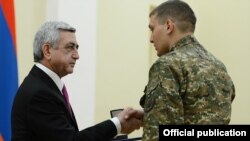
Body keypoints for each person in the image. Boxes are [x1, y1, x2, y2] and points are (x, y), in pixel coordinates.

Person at [11, 21, 143, 141]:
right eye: (70, 47)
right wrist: (117, 124)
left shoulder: (45, 85)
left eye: (76, 48)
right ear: (47, 51)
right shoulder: (39, 93)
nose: (77, 55)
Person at [139, 0, 235, 140]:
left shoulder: (167, 65)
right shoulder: (218, 66)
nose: (151, 39)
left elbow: (159, 134)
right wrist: (149, 113)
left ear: (168, 26)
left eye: (152, 29)